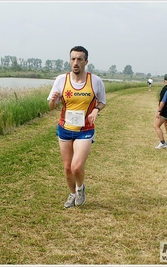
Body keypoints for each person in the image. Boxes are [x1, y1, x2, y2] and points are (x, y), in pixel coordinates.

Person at [47, 46, 106, 208]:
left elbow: (102, 101)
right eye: (73, 59)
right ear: (69, 61)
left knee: (76, 167)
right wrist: (53, 100)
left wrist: (96, 110)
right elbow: (52, 106)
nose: (76, 62)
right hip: (65, 129)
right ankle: (72, 194)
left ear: (86, 62)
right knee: (67, 168)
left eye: (80, 59)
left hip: (85, 130)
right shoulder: (61, 80)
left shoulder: (95, 81)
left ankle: (80, 188)